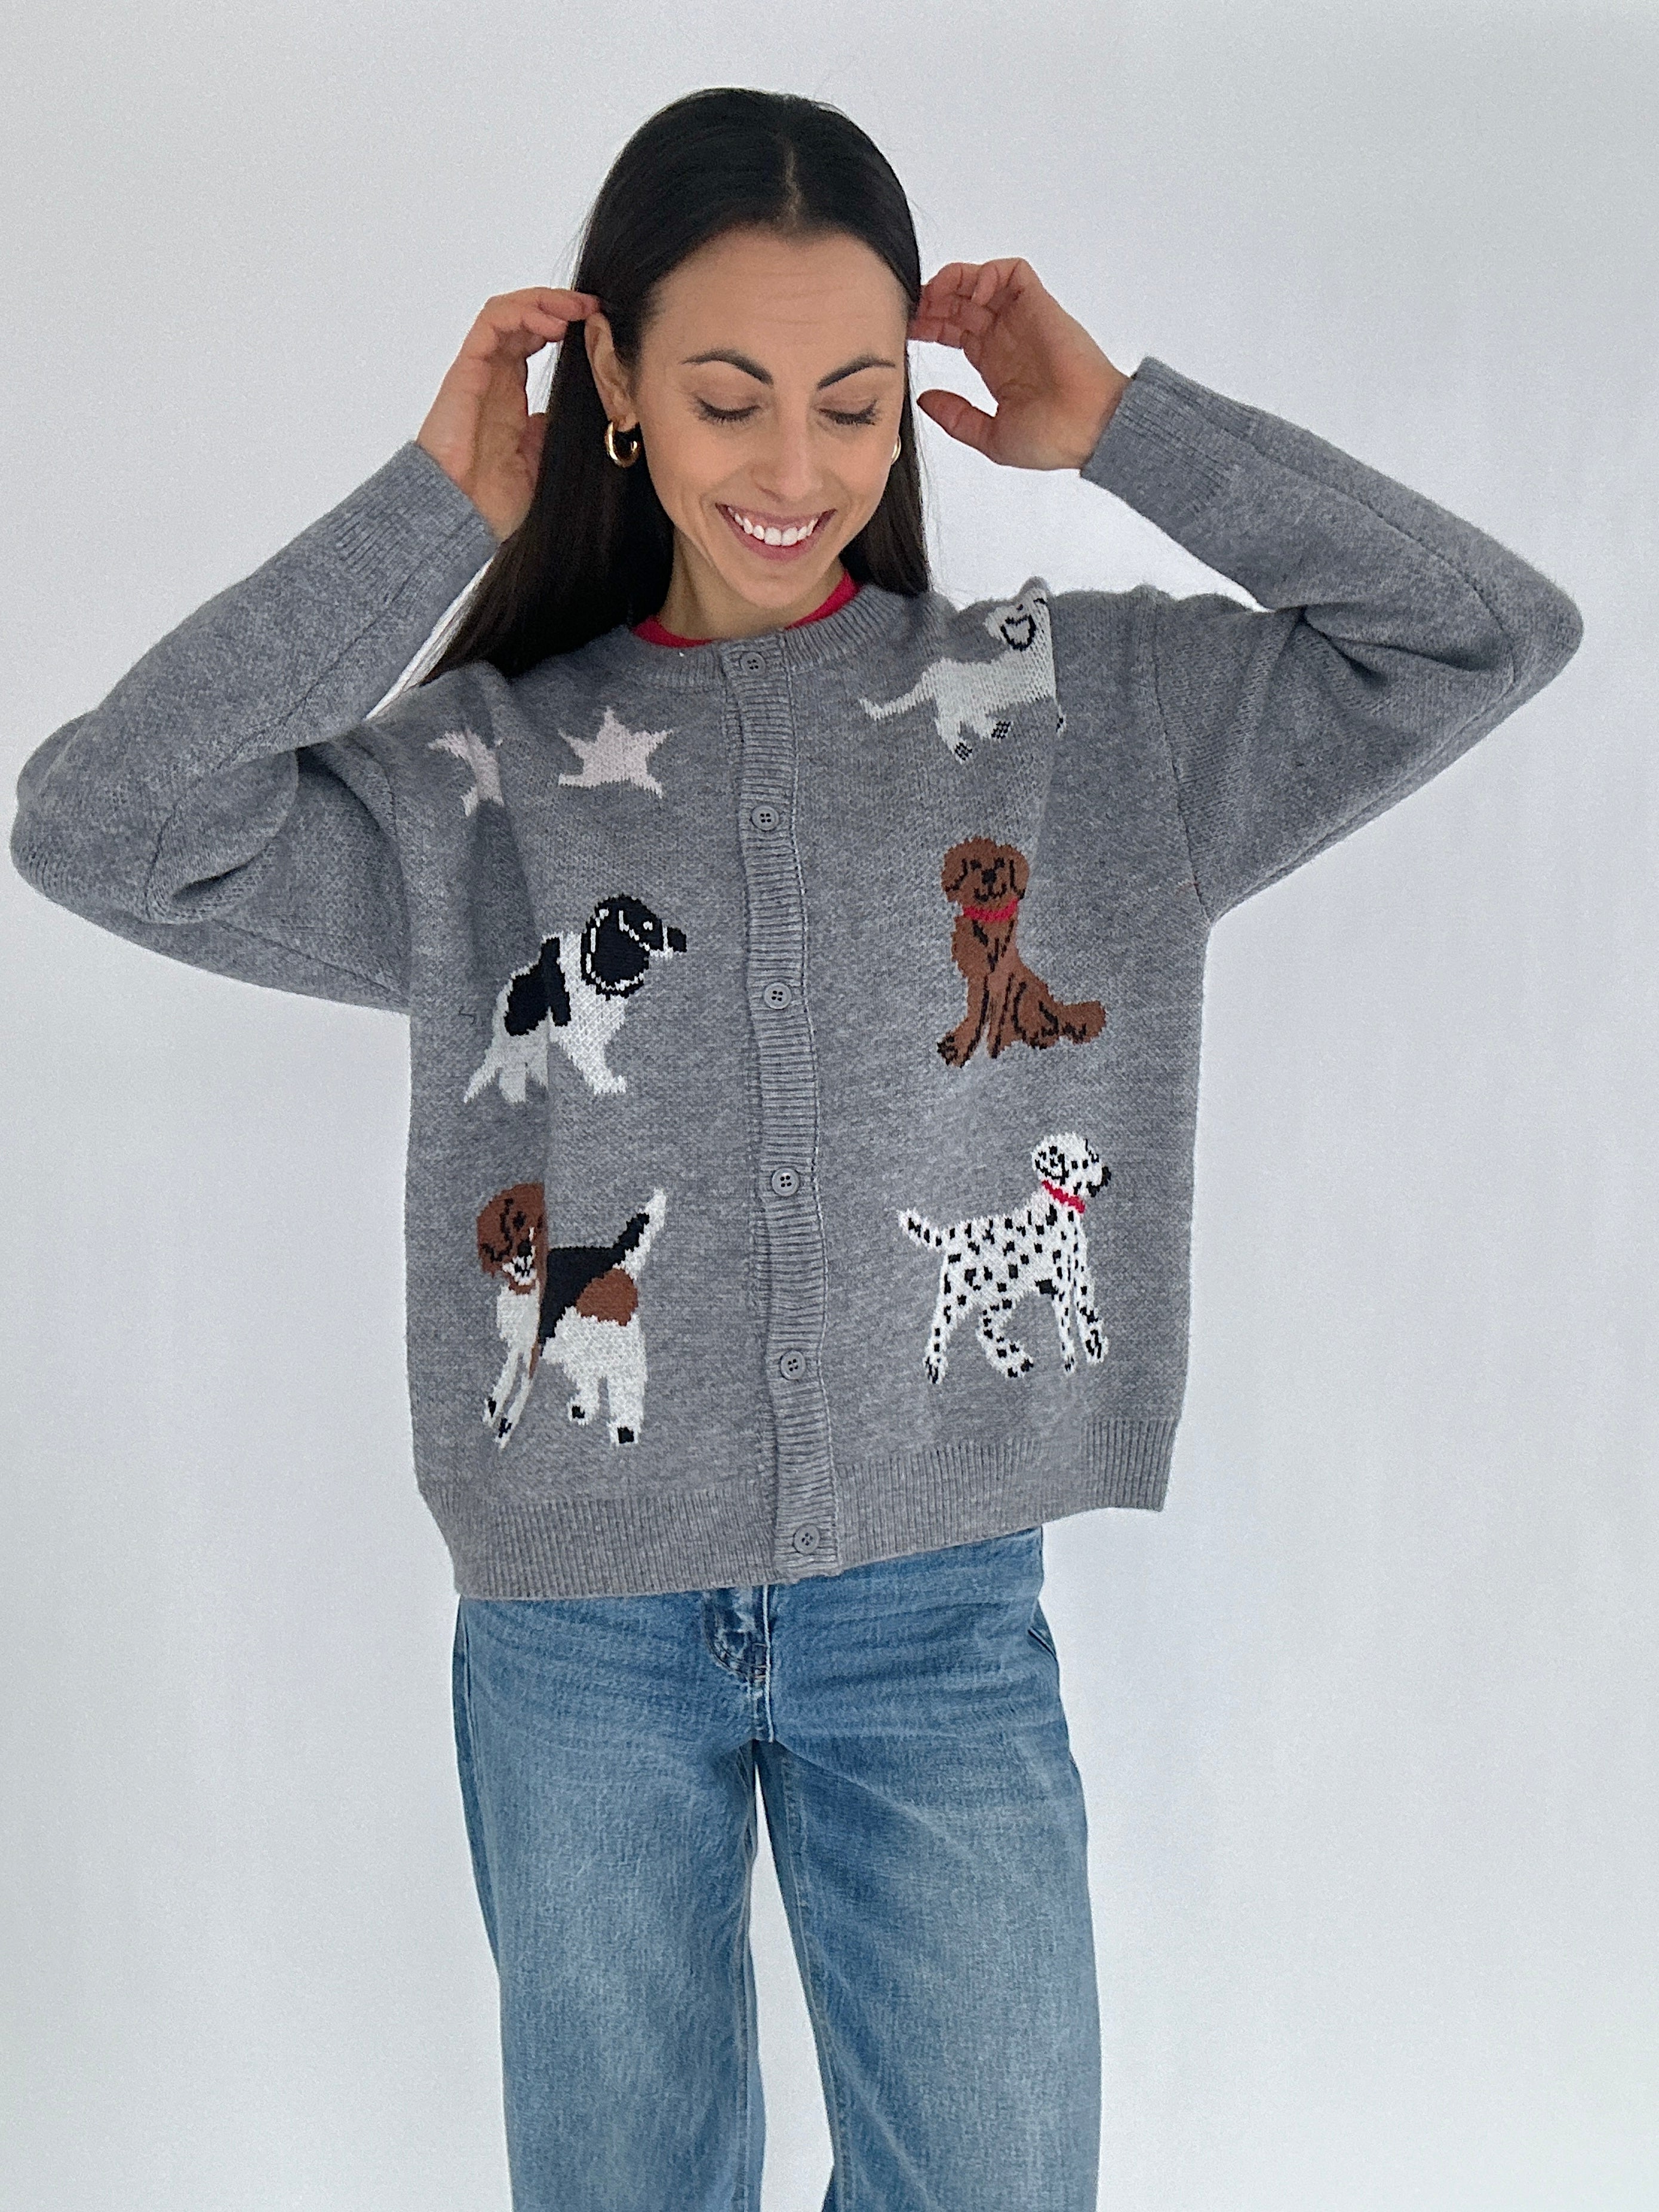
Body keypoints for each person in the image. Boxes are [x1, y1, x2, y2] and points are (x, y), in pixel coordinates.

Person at [8, 82, 1581, 2212]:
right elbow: (102, 827)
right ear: (619, 397)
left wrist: (1126, 431)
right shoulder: (483, 780)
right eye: (727, 399)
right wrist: (426, 515)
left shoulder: (1078, 718)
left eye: (852, 406)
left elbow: (1487, 632)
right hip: (578, 1622)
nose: (796, 470)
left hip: (933, 1613)